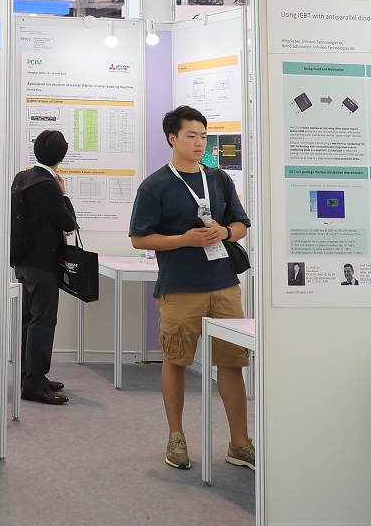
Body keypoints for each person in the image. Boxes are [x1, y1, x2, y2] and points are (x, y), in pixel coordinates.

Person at [129, 105, 253, 473]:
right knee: (176, 360)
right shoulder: (155, 186)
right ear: (172, 138)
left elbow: (241, 225)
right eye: (191, 136)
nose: (199, 143)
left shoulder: (218, 179)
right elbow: (139, 238)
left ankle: (240, 443)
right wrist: (185, 239)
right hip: (180, 286)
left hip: (224, 285)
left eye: (203, 136)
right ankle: (176, 438)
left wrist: (224, 232)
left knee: (232, 363)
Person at [10, 129, 76, 405]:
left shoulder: (22, 177)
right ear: (62, 156)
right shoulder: (48, 185)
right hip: (42, 263)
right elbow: (68, 223)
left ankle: (30, 375)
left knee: (30, 319)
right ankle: (34, 383)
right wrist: (64, 194)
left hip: (23, 261)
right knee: (43, 320)